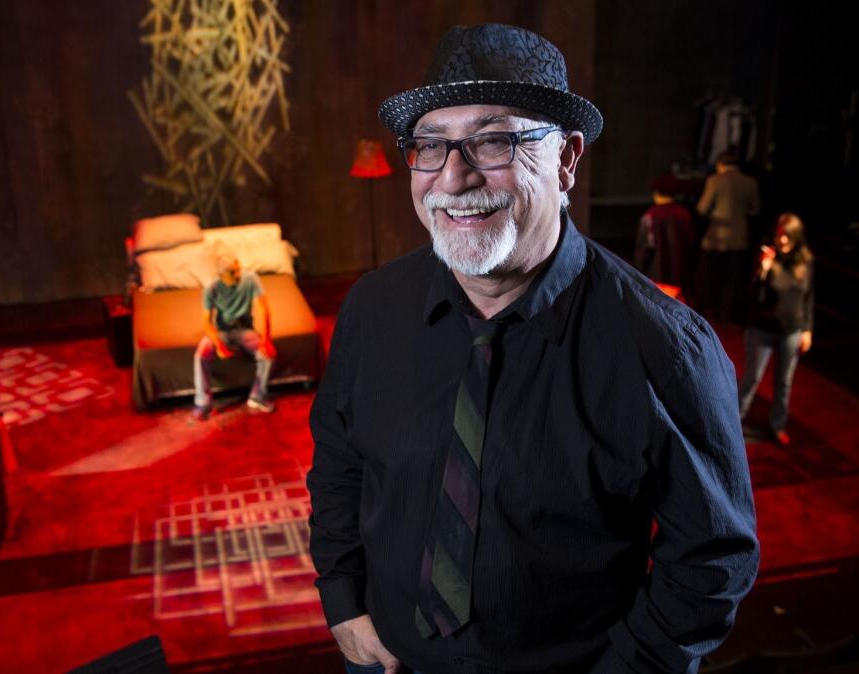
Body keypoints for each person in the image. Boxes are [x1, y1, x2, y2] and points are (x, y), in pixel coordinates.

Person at [306, 24, 759, 674]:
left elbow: (712, 557)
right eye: (430, 145)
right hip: (383, 661)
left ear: (567, 159)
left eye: (493, 140)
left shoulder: (665, 348)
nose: (453, 179)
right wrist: (344, 603)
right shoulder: (372, 309)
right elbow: (341, 463)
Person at [737, 213, 815, 446]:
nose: (782, 241)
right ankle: (734, 421)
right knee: (752, 377)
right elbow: (752, 296)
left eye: (787, 237)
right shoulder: (768, 257)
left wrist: (807, 329)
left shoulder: (805, 260)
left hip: (791, 329)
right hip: (762, 328)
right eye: (779, 236)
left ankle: (778, 424)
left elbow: (809, 297)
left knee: (784, 382)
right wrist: (763, 271)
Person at [192, 253, 277, 419]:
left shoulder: (250, 279)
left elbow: (264, 308)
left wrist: (266, 340)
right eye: (233, 273)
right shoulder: (212, 288)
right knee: (200, 355)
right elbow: (206, 322)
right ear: (222, 275)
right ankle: (203, 403)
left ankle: (257, 397)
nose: (239, 275)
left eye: (238, 270)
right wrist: (218, 344)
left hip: (245, 330)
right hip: (221, 332)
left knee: (268, 355)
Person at [696, 151, 760, 325]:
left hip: (715, 239)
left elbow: (702, 208)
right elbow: (755, 210)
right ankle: (727, 315)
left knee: (711, 277)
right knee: (731, 280)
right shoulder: (750, 182)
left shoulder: (715, 181)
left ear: (720, 164)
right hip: (739, 238)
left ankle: (709, 313)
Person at [634, 174, 695, 290]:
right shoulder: (684, 214)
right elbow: (691, 244)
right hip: (681, 279)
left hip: (656, 279)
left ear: (656, 192)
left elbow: (643, 251)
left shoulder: (650, 216)